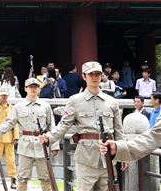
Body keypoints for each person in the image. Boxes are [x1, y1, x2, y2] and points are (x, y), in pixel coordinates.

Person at [39, 61, 125, 191]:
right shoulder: (75, 100)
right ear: (84, 77)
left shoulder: (112, 102)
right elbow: (64, 124)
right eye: (91, 74)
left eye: (97, 74)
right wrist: (49, 137)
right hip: (86, 158)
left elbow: (119, 130)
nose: (95, 77)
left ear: (102, 76)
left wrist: (123, 153)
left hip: (108, 158)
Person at [0, 77, 59, 191]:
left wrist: (55, 145)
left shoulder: (45, 106)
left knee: (45, 177)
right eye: (31, 87)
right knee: (22, 178)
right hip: (25, 146)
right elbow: (9, 123)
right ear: (25, 89)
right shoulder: (18, 107)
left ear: (38, 89)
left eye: (36, 87)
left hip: (42, 145)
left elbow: (52, 126)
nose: (33, 89)